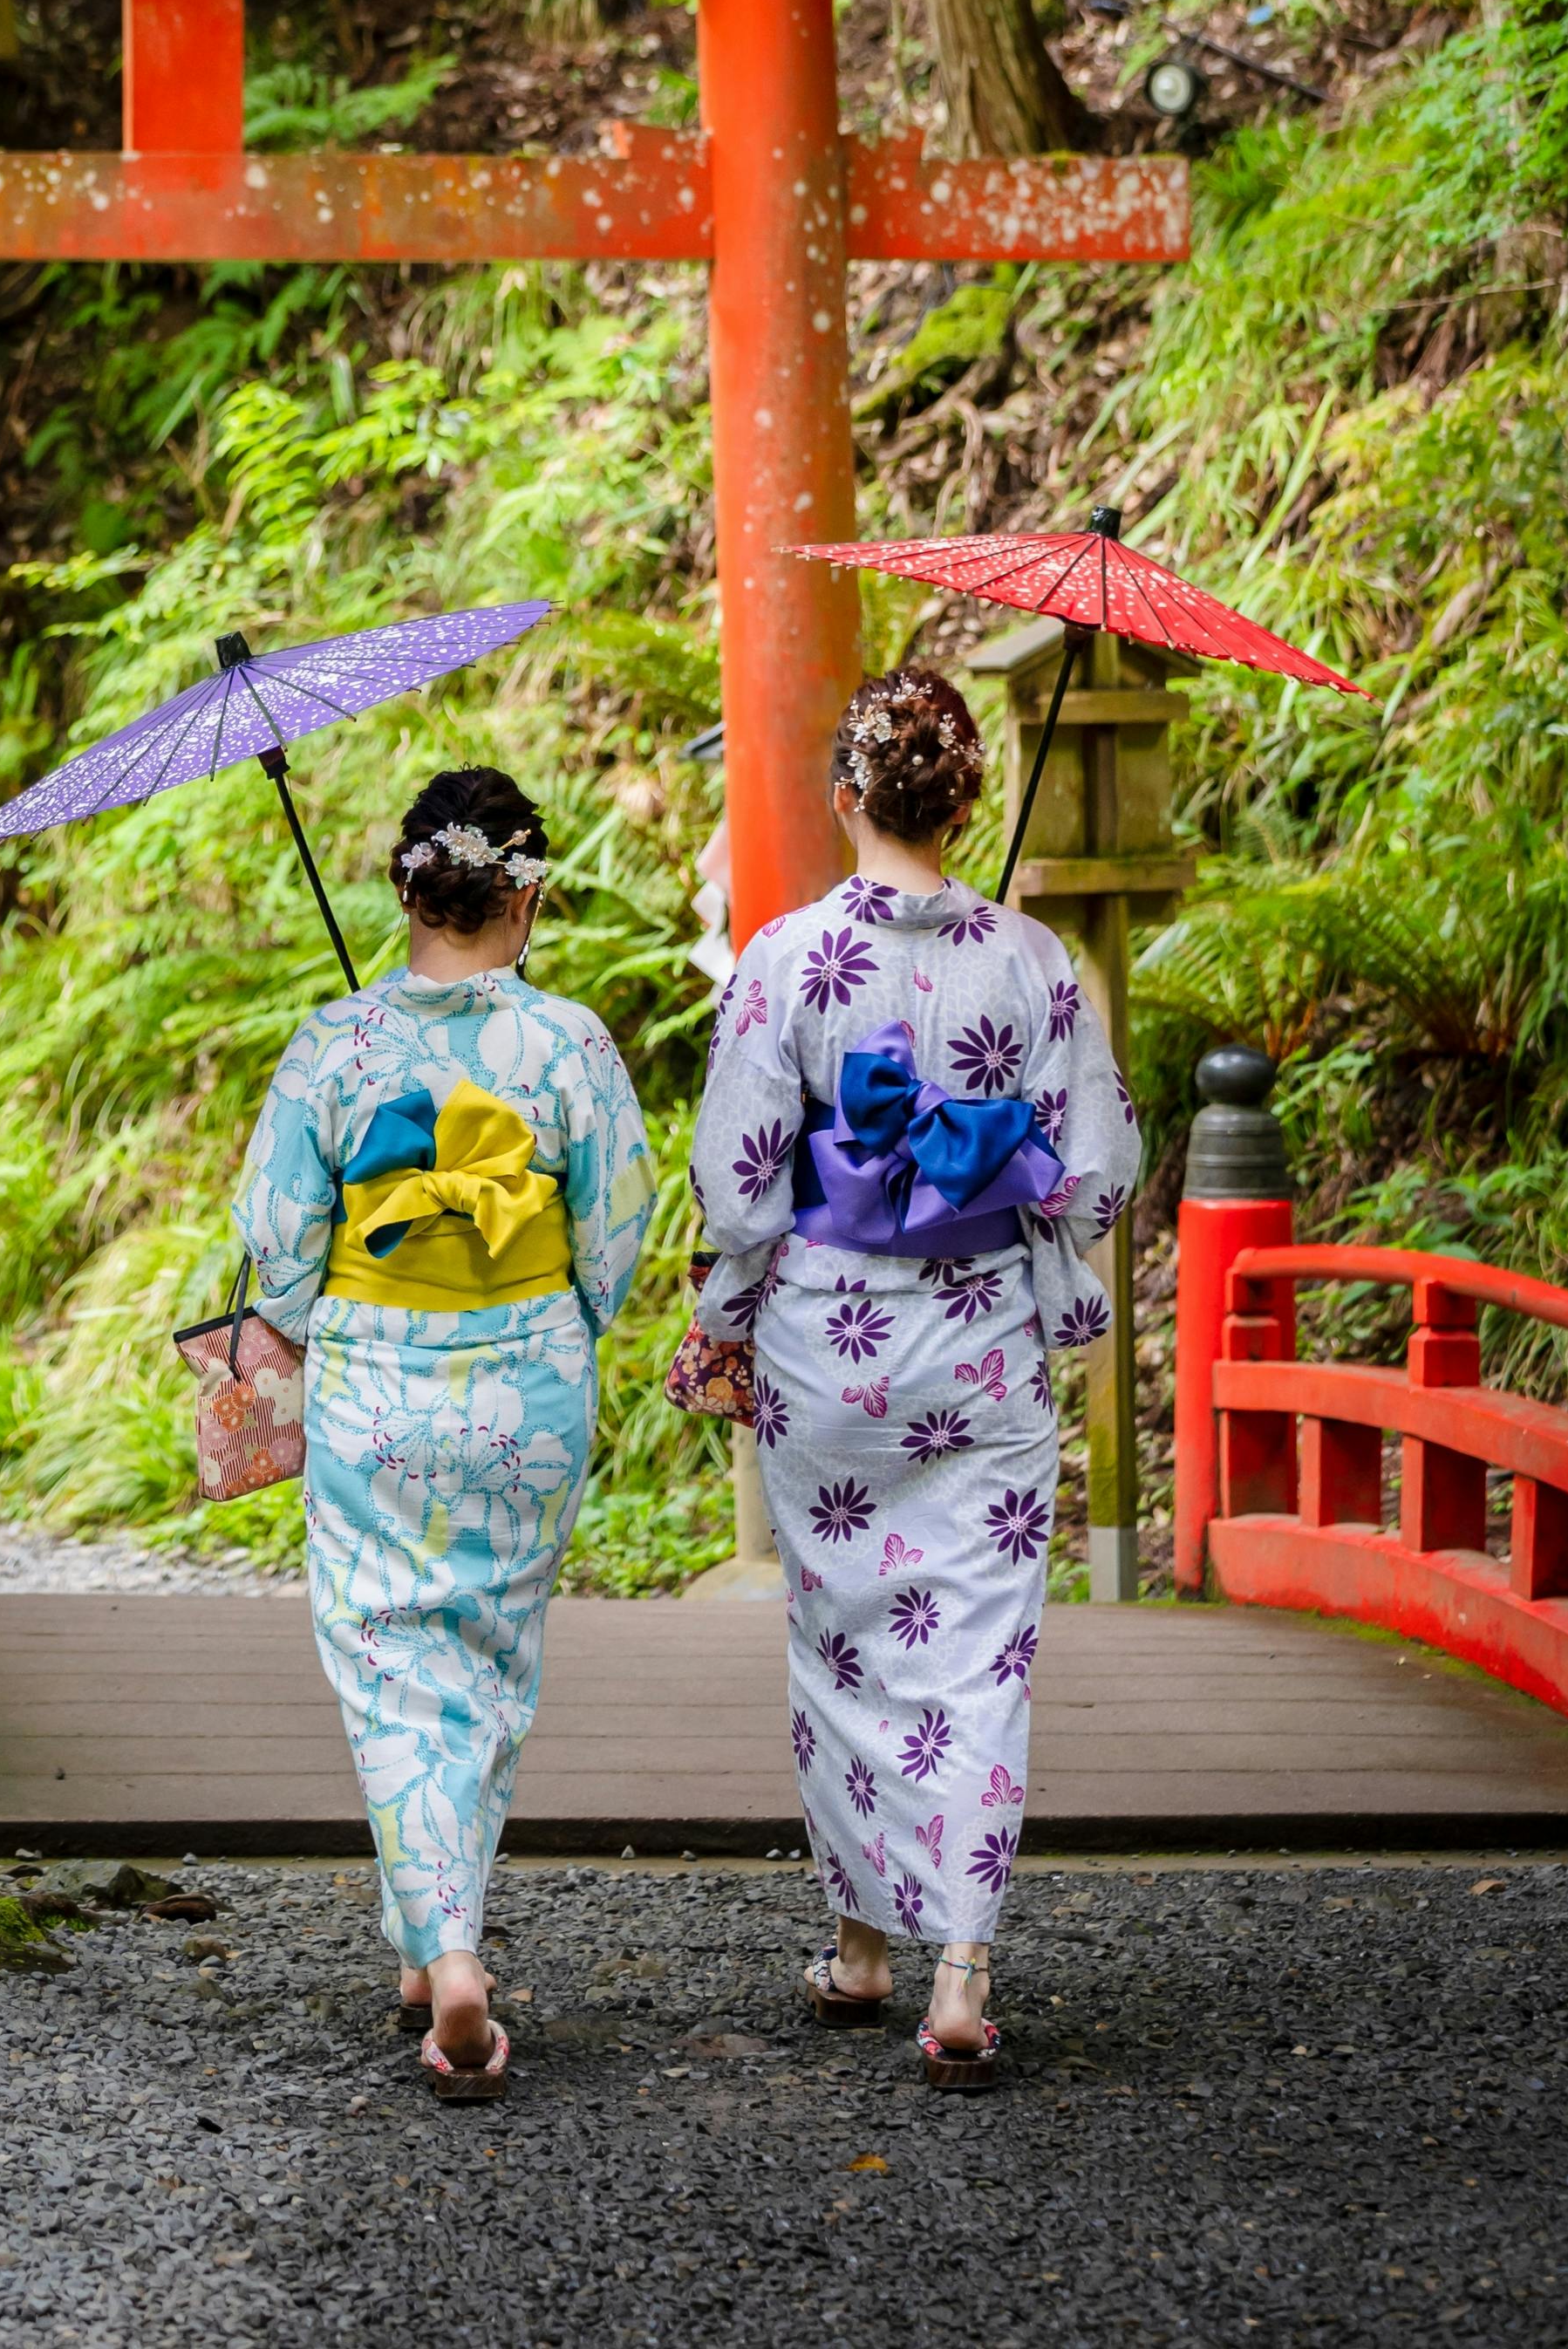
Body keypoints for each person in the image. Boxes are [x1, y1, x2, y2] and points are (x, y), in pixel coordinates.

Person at [689, 666, 1140, 2086]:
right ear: (964, 801)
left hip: (830, 1343)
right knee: (978, 1651)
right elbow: (1095, 1172)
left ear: (845, 796)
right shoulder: (1033, 962)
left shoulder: (782, 957)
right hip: (983, 1334)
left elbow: (744, 1183)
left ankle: (860, 1950)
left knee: (844, 1642)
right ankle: (960, 1970)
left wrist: (725, 1306)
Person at [232, 762, 653, 2105]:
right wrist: (555, 1319)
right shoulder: (570, 1043)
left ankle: (449, 1947)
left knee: (384, 1655)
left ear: (406, 889)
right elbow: (619, 1225)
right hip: (525, 1371)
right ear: (522, 894)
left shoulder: (334, 1044)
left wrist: (328, 1317)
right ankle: (434, 1941)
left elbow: (279, 1242)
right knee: (488, 1651)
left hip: (376, 1375)